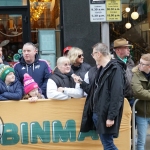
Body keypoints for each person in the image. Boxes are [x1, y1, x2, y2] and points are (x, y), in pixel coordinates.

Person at [78, 43, 126, 150]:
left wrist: (111, 116)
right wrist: (82, 83)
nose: (92, 56)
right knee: (107, 144)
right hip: (99, 112)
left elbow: (117, 94)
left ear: (98, 54)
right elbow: (94, 90)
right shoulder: (102, 69)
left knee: (108, 145)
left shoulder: (115, 69)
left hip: (105, 113)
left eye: (93, 54)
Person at [131, 53, 150, 150]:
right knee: (141, 141)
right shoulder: (136, 74)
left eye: (143, 64)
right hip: (141, 112)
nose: (139, 65)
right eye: (140, 62)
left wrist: (145, 93)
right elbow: (138, 93)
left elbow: (143, 93)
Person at [113, 38, 135, 107]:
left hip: (132, 98)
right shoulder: (112, 63)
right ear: (118, 50)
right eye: (126, 48)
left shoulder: (130, 61)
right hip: (120, 100)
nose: (129, 49)